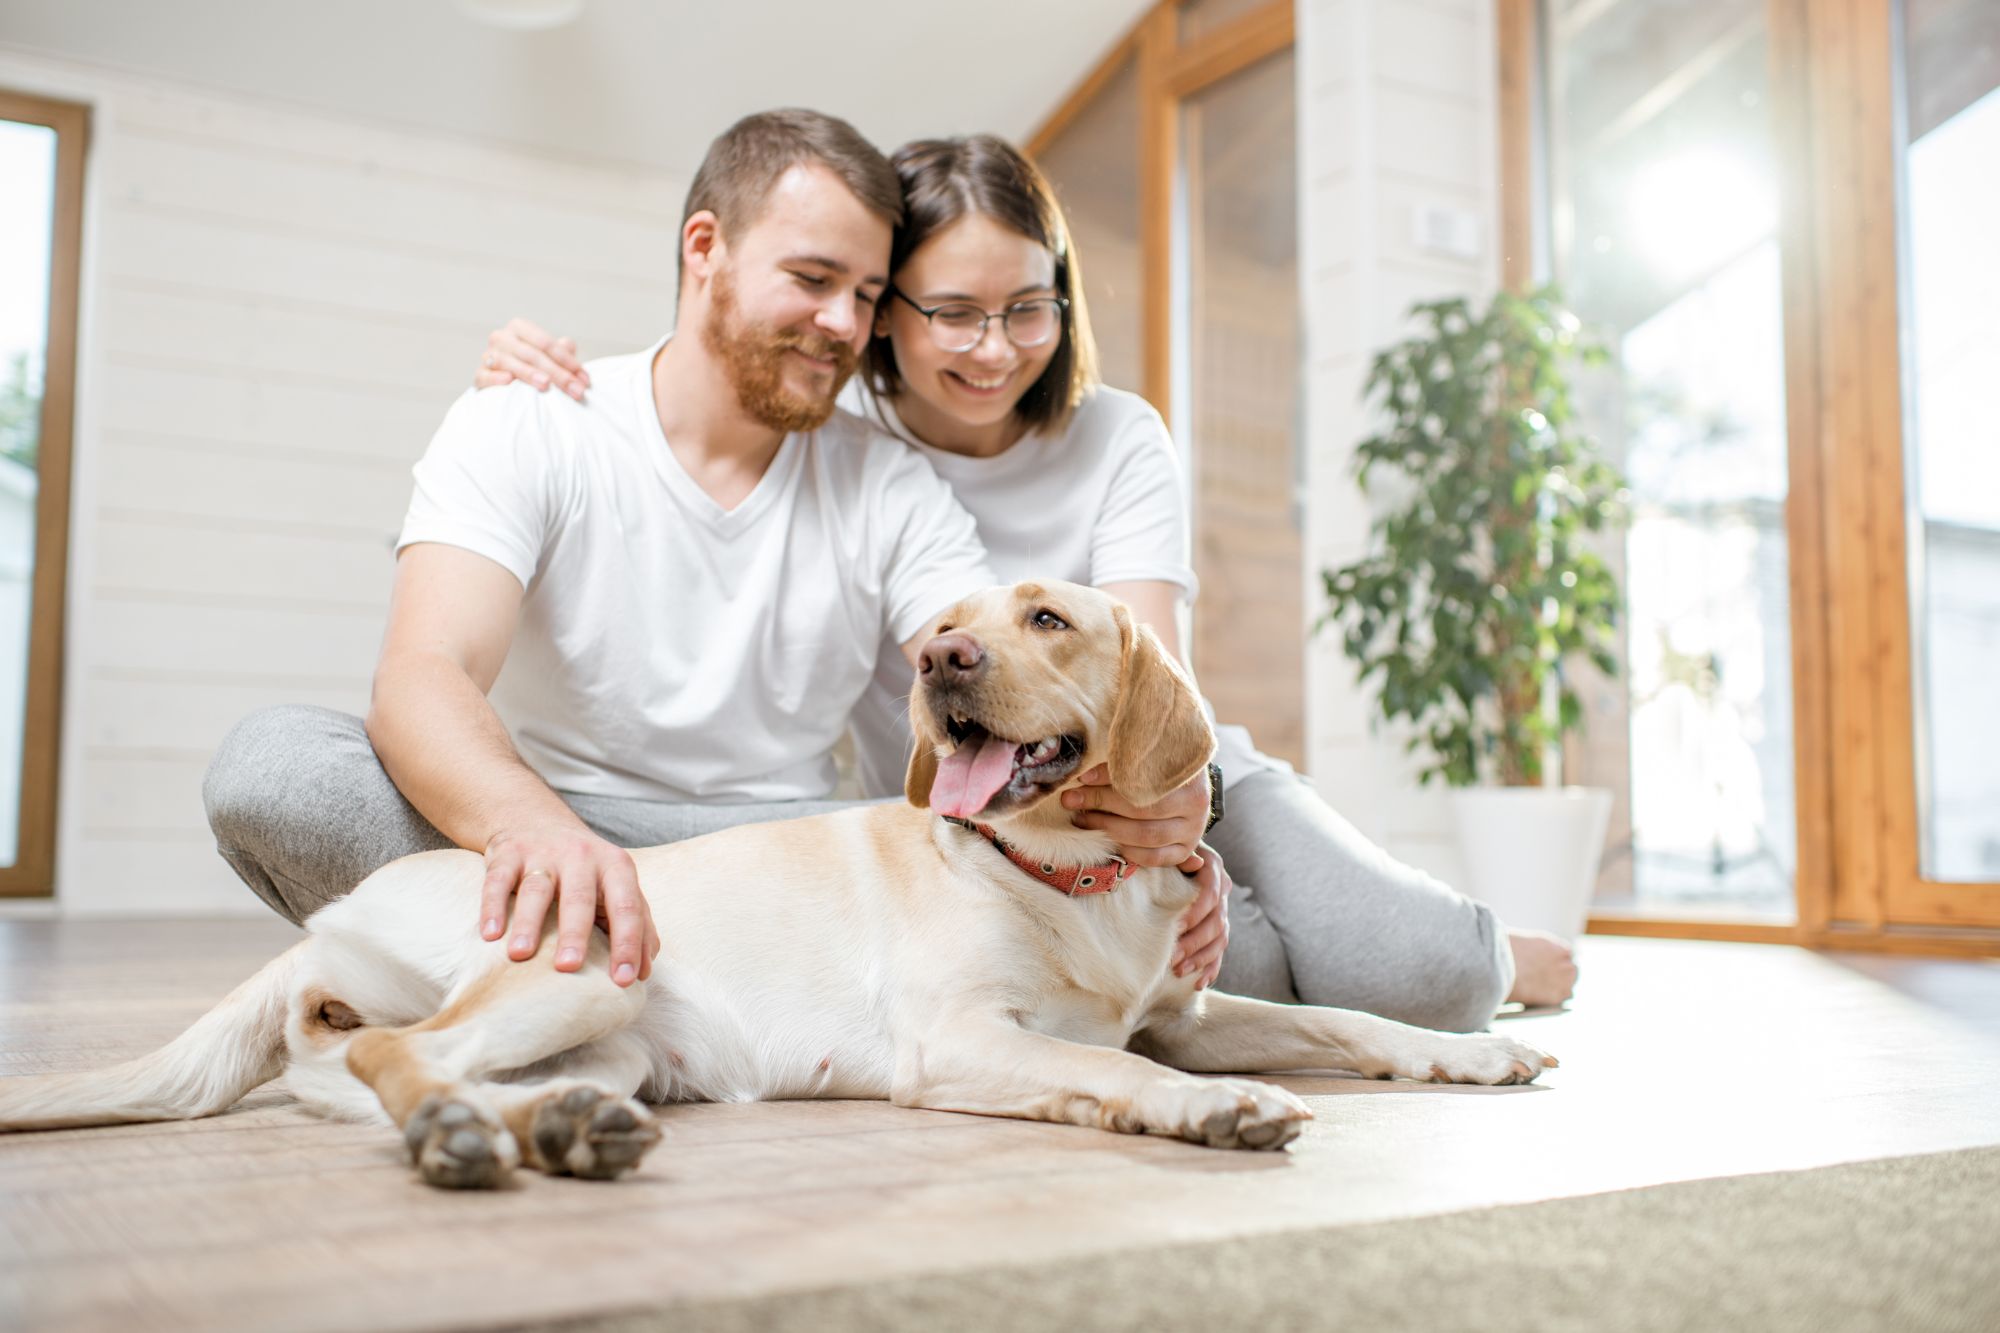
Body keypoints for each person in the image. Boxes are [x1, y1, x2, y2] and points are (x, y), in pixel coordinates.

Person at [474, 134, 1577, 1030]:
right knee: (1168, 988)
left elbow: (1148, 675)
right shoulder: (836, 437)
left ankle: (1483, 947)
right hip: (986, 811)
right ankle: (1300, 952)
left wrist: (1177, 841)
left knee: (1424, 977)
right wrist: (535, 371)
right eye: (949, 311)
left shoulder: (1116, 438)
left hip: (1163, 766)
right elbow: (713, 373)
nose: (994, 350)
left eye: (1027, 307)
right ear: (884, 314)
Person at [203, 108, 1224, 1001]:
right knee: (279, 767)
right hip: (574, 831)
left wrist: (1132, 838)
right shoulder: (532, 420)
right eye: (812, 279)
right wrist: (538, 832)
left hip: (796, 863)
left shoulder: (887, 478)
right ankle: (616, 962)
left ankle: (582, 985)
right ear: (706, 248)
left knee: (1036, 900)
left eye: (866, 294)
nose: (841, 323)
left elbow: (985, 663)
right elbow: (423, 674)